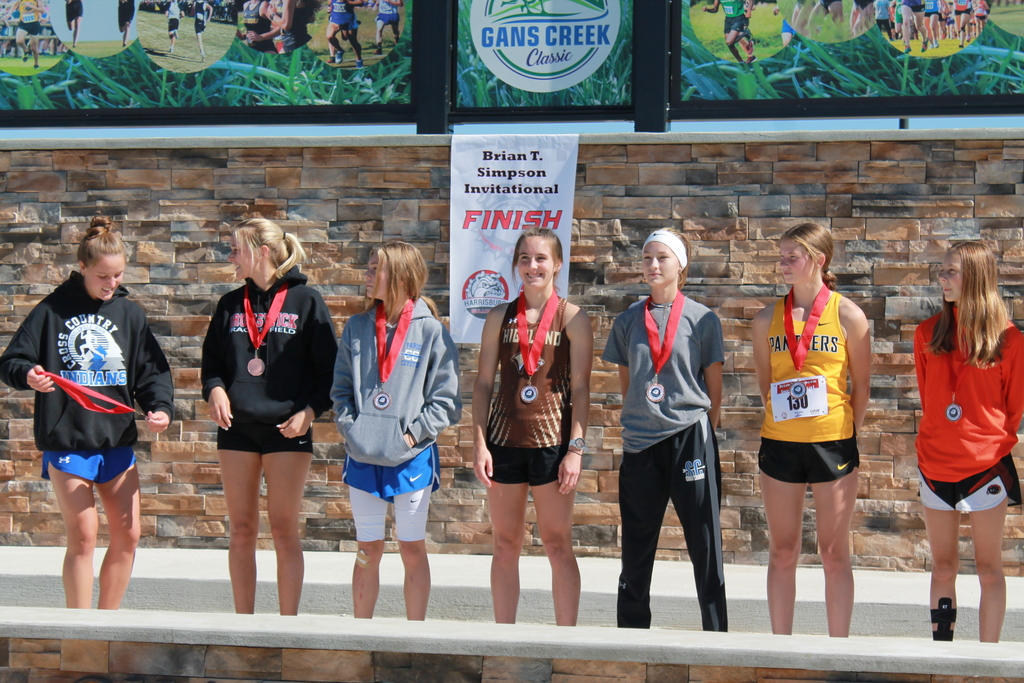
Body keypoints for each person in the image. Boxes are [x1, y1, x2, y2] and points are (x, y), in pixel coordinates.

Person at [0, 216, 174, 610]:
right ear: (82, 268)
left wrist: (160, 409)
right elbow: (12, 361)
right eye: (103, 276)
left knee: (128, 536)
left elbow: (151, 372)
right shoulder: (50, 311)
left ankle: (106, 623)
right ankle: (79, 627)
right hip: (68, 440)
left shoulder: (130, 315)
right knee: (83, 535)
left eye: (118, 275)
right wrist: (29, 375)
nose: (111, 283)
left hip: (116, 440)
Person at [201, 218, 338, 616]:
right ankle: (244, 621)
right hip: (237, 430)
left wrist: (310, 412)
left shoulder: (306, 301)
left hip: (287, 429)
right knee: (241, 531)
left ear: (261, 251)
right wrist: (215, 389)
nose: (230, 256)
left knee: (283, 530)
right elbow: (211, 363)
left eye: (235, 249)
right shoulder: (230, 304)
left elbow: (329, 371)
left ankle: (287, 624)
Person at [602, 229, 727, 632]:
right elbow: (628, 385)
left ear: (681, 265)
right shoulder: (626, 320)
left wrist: (700, 423)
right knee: (636, 547)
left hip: (689, 436)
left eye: (662, 258)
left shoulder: (703, 319)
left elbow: (714, 387)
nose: (653, 265)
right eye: (647, 258)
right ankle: (632, 633)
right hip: (641, 443)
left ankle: (716, 634)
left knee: (705, 543)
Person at [332, 241, 462, 620]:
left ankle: (416, 635)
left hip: (411, 460)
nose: (367, 275)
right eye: (368, 267)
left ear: (400, 276)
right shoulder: (357, 327)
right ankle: (361, 632)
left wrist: (412, 436)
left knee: (411, 547)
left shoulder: (432, 332)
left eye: (375, 268)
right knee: (367, 548)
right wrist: (351, 430)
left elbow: (446, 400)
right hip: (363, 456)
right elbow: (340, 390)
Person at [752, 222, 870, 638]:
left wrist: (844, 432)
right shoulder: (767, 318)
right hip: (780, 444)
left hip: (832, 444)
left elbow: (862, 385)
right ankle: (780, 645)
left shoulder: (849, 315)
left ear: (819, 260)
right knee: (783, 550)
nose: (783, 264)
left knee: (834, 552)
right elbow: (766, 383)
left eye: (792, 257)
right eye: (781, 256)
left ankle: (839, 647)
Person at [473, 227, 592, 627]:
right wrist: (479, 444)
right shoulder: (498, 316)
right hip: (504, 442)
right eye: (524, 258)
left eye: (541, 258)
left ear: (558, 264)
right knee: (505, 544)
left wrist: (575, 449)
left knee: (557, 545)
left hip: (551, 447)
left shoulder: (573, 318)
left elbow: (581, 390)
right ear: (515, 266)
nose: (532, 266)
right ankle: (504, 635)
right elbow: (484, 384)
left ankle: (567, 638)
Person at [914, 242, 1024, 643]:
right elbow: (931, 402)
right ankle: (943, 655)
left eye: (951, 272)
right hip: (935, 465)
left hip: (985, 469)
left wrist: (981, 442)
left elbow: (1012, 411)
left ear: (976, 278)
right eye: (941, 271)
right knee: (943, 567)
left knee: (989, 568)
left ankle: (987, 658)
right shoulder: (926, 333)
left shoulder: (1010, 341)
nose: (942, 279)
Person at [325, 0, 363, 66]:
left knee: (351, 40)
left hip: (348, 20)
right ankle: (340, 50)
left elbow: (361, 3)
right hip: (335, 19)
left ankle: (359, 59)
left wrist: (347, 2)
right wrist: (329, 8)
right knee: (329, 36)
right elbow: (329, 3)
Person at [15, 0, 41, 67]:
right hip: (23, 23)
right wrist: (9, 13)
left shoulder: (37, 0)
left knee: (34, 48)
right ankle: (26, 50)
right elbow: (14, 5)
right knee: (19, 41)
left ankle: (36, 64)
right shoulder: (20, 0)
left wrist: (31, 6)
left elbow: (42, 10)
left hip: (34, 24)